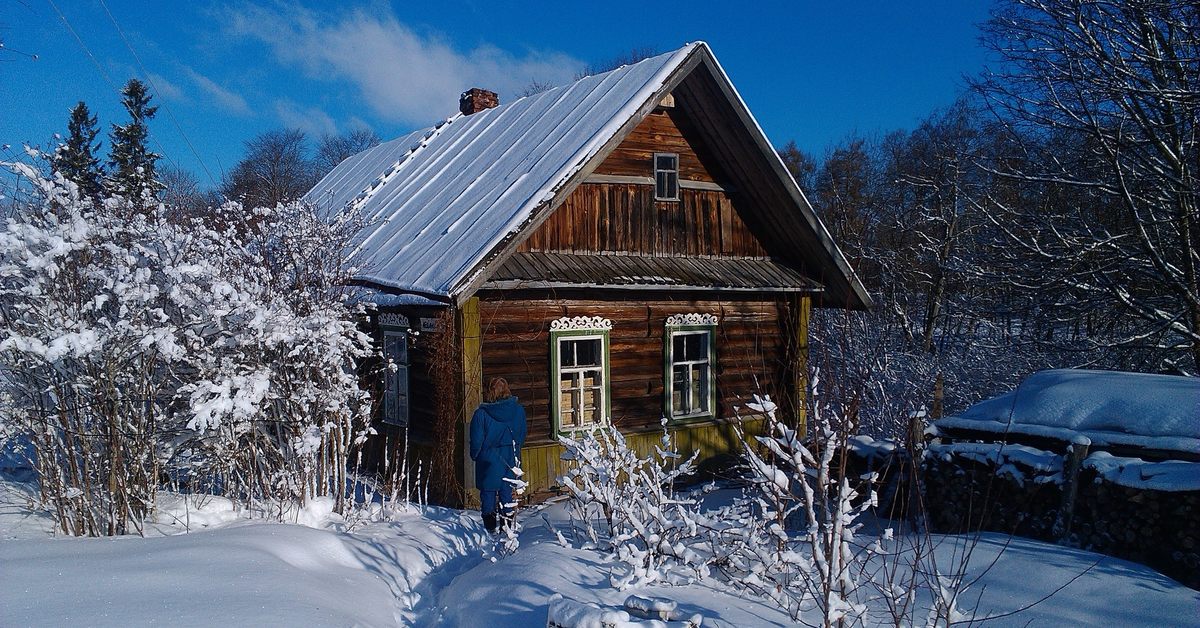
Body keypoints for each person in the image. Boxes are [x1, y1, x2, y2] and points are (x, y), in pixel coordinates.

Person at [469, 377, 527, 533]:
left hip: (489, 458)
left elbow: (476, 440)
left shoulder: (481, 414)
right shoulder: (518, 410)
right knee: (506, 491)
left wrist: (475, 455)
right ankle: (506, 529)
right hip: (510, 456)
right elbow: (521, 435)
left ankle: (490, 529)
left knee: (488, 493)